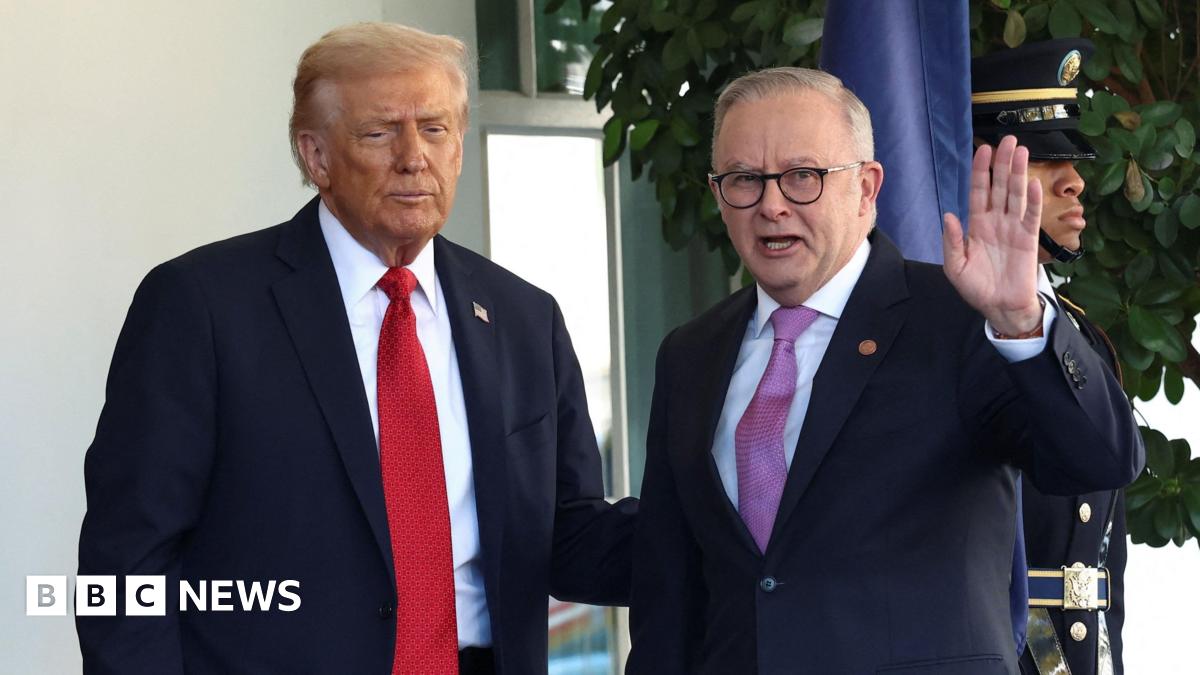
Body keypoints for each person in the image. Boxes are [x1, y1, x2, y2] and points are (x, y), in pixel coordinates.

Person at [76, 22, 635, 675]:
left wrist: (717, 521)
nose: (413, 157)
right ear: (316, 157)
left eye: (435, 129)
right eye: (379, 133)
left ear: (458, 148)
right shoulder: (201, 306)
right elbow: (126, 559)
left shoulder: (524, 318)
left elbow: (569, 534)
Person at [626, 66, 1143, 674]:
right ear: (718, 193)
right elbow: (669, 588)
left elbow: (1100, 461)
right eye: (744, 179)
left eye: (803, 176)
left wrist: (1023, 323)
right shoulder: (690, 353)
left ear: (866, 188)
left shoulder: (964, 321)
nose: (771, 205)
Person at [972, 39, 1128, 675]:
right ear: (981, 172)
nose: (1074, 181)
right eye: (1042, 160)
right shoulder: (955, 330)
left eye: (1073, 160)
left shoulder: (1076, 331)